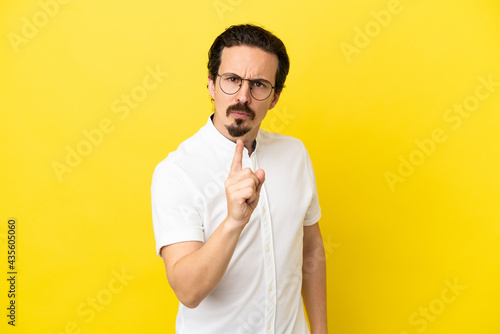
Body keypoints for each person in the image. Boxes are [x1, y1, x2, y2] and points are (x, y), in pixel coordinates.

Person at [151, 24, 327, 334]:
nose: (243, 97)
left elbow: (311, 249)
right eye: (232, 80)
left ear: (274, 97)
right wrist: (233, 221)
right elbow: (188, 292)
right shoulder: (177, 172)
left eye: (259, 84)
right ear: (211, 85)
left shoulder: (295, 154)